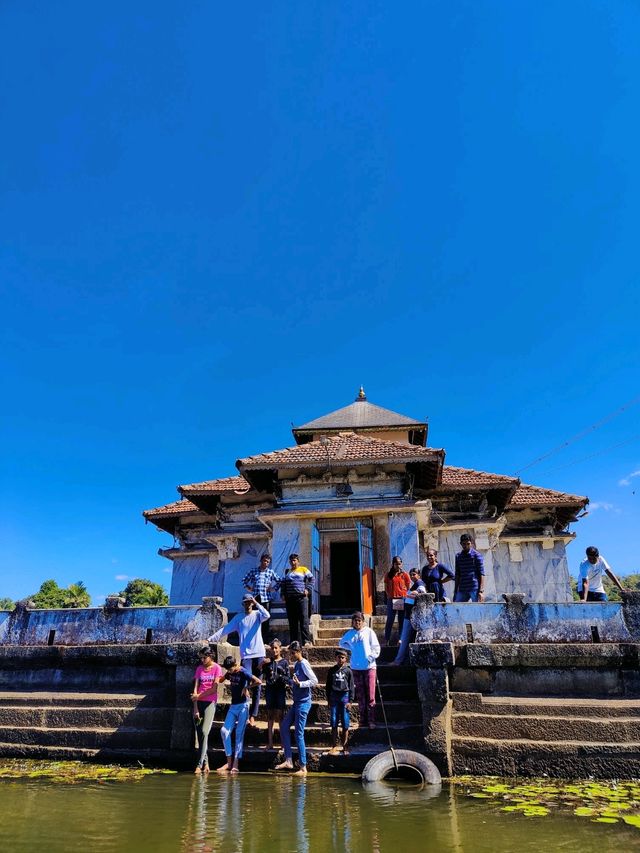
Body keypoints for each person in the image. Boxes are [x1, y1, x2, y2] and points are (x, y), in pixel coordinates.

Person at [208, 594, 270, 726]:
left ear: (252, 603)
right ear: (243, 604)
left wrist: (256, 602)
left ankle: (253, 715)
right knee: (243, 683)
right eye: (246, 602)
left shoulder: (258, 614)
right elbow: (225, 630)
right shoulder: (238, 618)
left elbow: (267, 615)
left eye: (249, 602)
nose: (248, 604)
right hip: (246, 656)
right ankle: (244, 713)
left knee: (257, 686)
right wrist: (210, 639)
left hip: (259, 654)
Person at [275, 641, 318, 776]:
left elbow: (314, 681)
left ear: (298, 652)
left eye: (292, 653)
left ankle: (303, 767)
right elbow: (296, 681)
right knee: (284, 726)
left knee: (299, 734)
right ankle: (288, 760)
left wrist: (300, 684)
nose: (291, 655)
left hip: (304, 703)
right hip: (296, 703)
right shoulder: (297, 664)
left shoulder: (304, 663)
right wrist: (288, 681)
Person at [217, 655, 262, 774]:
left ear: (235, 665)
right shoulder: (230, 672)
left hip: (243, 706)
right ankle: (229, 762)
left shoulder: (243, 672)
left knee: (238, 734)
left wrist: (247, 687)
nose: (230, 672)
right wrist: (218, 678)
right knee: (224, 731)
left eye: (231, 669)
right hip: (233, 706)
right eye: (228, 670)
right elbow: (222, 679)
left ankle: (235, 763)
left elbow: (258, 681)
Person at [339, 612, 380, 729]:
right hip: (355, 668)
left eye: (359, 620)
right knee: (360, 695)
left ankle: (372, 720)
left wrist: (370, 658)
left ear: (363, 621)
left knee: (371, 695)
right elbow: (341, 643)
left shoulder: (369, 632)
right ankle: (362, 719)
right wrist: (350, 647)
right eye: (355, 621)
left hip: (369, 667)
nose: (357, 623)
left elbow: (376, 647)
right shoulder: (350, 634)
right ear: (352, 622)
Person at [190, 646, 225, 774]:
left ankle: (199, 764)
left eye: (205, 657)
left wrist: (198, 696)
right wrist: (195, 708)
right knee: (200, 735)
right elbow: (195, 688)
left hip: (210, 702)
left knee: (205, 731)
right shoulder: (199, 669)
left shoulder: (217, 668)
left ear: (211, 656)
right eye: (201, 658)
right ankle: (206, 764)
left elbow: (214, 689)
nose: (203, 660)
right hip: (198, 703)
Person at [392, 568, 427, 665]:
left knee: (404, 639)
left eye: (414, 574)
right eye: (411, 574)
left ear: (419, 575)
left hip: (411, 617)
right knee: (406, 639)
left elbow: (422, 590)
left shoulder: (419, 583)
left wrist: (417, 592)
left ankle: (398, 661)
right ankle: (402, 659)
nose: (412, 576)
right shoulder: (414, 585)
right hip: (408, 616)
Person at [242, 554, 282, 639]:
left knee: (265, 618)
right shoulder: (254, 571)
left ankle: (264, 639)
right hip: (255, 599)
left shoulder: (270, 572)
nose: (266, 563)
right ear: (261, 560)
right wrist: (248, 587)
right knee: (255, 618)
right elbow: (244, 580)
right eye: (265, 561)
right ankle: (255, 638)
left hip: (266, 599)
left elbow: (279, 581)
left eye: (268, 562)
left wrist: (273, 589)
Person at [260, 638, 289, 750]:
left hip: (280, 691)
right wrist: (262, 663)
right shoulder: (268, 662)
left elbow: (288, 678)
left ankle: (282, 743)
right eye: (272, 648)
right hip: (270, 690)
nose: (274, 650)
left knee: (280, 716)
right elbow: (259, 671)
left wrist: (281, 678)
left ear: (280, 649)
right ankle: (270, 743)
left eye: (276, 648)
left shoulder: (284, 662)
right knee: (270, 716)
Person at [325, 649, 354, 755]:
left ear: (346, 659)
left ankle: (345, 745)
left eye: (343, 657)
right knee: (333, 720)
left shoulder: (348, 671)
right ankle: (334, 745)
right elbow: (328, 686)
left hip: (345, 697)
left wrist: (350, 700)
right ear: (335, 658)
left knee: (345, 721)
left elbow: (351, 687)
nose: (340, 659)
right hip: (334, 697)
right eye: (339, 657)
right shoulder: (331, 670)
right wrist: (328, 699)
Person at [281, 553, 314, 646]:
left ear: (298, 561)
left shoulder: (303, 569)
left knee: (304, 620)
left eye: (295, 560)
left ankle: (306, 641)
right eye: (291, 560)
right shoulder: (287, 572)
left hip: (301, 599)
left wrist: (307, 589)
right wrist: (282, 594)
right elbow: (283, 583)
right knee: (292, 622)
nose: (293, 562)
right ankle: (294, 642)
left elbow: (312, 579)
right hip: (290, 599)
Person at [383, 556, 411, 645]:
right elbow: (386, 586)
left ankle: (400, 639)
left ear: (401, 564)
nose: (398, 566)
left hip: (402, 599)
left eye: (399, 563)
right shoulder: (388, 574)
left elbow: (408, 586)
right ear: (393, 564)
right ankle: (386, 639)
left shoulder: (405, 574)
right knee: (390, 619)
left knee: (401, 619)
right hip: (392, 599)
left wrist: (404, 595)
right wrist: (389, 595)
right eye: (396, 564)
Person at [454, 534, 485, 602]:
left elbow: (481, 573)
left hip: (474, 588)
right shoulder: (458, 556)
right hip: (462, 588)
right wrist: (455, 591)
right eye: (464, 544)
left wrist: (481, 591)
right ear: (461, 544)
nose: (466, 546)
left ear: (471, 543)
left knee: (477, 609)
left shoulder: (477, 555)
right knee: (457, 608)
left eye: (468, 544)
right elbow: (457, 574)